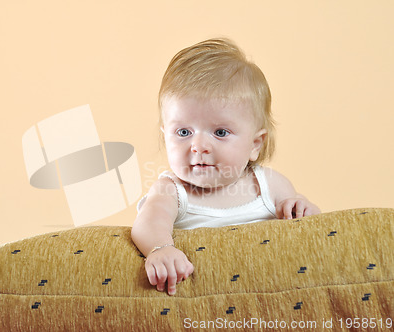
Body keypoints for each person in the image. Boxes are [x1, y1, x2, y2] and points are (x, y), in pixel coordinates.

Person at [131, 38, 320, 296]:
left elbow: (303, 226)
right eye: (184, 131)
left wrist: (303, 207)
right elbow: (147, 223)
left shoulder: (270, 185)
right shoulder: (172, 191)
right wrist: (160, 248)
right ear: (166, 134)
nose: (198, 146)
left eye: (220, 132)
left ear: (255, 144)